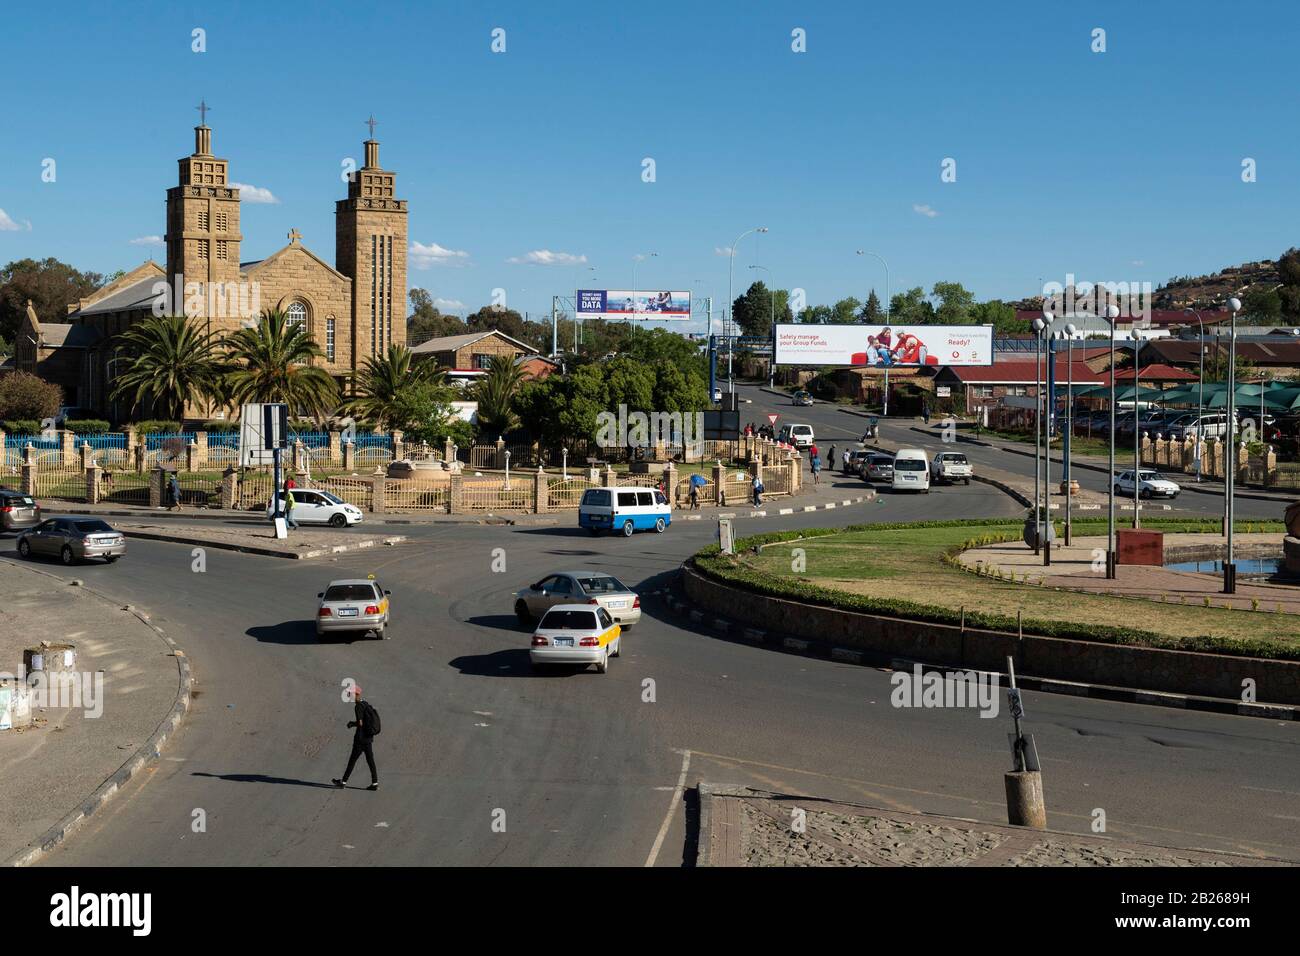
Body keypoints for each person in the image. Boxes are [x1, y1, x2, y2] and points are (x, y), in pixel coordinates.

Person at [332, 685, 379, 791]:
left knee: (352, 760)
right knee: (370, 760)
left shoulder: (358, 706)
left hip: (360, 739)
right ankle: (375, 783)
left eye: (350, 693)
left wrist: (352, 724)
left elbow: (360, 723)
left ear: (356, 694)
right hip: (368, 738)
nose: (349, 695)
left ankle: (343, 782)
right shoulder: (365, 703)